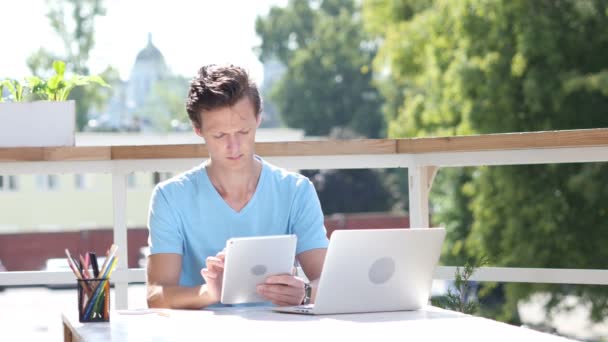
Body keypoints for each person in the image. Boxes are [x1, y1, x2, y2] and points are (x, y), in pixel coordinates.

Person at [146, 64, 329, 309]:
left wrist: (305, 293)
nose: (234, 146)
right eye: (219, 135)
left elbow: (327, 281)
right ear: (198, 130)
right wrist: (210, 293)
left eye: (243, 131)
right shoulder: (170, 197)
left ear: (258, 119)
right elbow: (156, 295)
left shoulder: (296, 191)